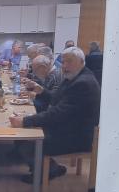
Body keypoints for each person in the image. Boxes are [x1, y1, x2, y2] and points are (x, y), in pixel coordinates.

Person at [10, 47, 101, 182]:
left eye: (69, 61)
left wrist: (25, 121)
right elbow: (57, 99)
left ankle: (46, 173)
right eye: (63, 62)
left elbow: (57, 113)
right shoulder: (74, 77)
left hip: (77, 137)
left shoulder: (83, 83)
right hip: (69, 128)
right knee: (23, 135)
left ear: (82, 61)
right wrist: (42, 91)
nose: (64, 66)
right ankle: (51, 168)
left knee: (27, 143)